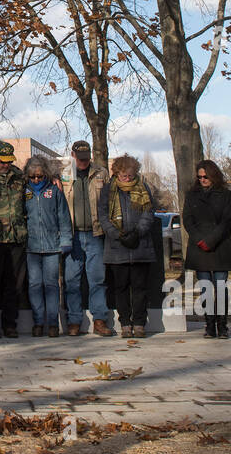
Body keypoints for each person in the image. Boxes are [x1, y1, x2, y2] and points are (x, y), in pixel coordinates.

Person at [99, 155, 160, 338]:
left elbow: (149, 213)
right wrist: (116, 234)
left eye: (130, 176)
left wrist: (138, 232)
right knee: (121, 287)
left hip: (140, 245)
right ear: (117, 173)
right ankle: (125, 322)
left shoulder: (143, 188)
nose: (127, 179)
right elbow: (102, 215)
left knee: (140, 287)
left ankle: (140, 323)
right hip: (117, 247)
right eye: (124, 175)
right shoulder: (109, 190)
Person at [60, 140, 113, 337]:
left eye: (86, 158)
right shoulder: (64, 175)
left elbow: (109, 201)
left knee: (97, 279)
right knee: (71, 281)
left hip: (95, 233)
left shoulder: (101, 173)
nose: (83, 162)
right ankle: (74, 321)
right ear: (73, 155)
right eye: (80, 159)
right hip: (72, 236)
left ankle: (99, 320)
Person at [182, 159, 231, 339]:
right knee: (205, 287)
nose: (203, 180)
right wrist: (199, 240)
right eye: (200, 177)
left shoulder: (225, 194)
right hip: (199, 246)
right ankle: (209, 323)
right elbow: (187, 220)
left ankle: (223, 324)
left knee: (221, 286)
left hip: (219, 245)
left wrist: (211, 240)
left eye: (206, 177)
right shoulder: (191, 195)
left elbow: (225, 221)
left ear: (213, 176)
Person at [23, 155, 71, 337]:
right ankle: (38, 322)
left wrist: (65, 240)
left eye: (40, 176)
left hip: (52, 247)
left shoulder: (54, 190)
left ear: (46, 174)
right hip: (31, 247)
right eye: (32, 177)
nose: (36, 180)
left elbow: (64, 217)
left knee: (51, 284)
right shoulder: (24, 191)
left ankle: (52, 323)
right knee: (34, 284)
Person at [0, 141, 28, 338]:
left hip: (16, 238)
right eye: (2, 161)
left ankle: (10, 324)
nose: (6, 165)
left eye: (9, 161)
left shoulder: (19, 176)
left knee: (14, 285)